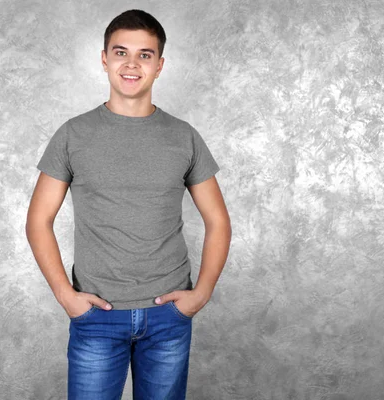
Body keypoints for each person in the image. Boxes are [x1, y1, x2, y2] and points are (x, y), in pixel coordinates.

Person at [26, 9, 231, 400]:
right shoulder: (73, 135)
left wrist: (201, 294)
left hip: (168, 315)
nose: (132, 64)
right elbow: (38, 220)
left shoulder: (183, 137)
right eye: (121, 53)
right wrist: (65, 295)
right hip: (97, 316)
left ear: (159, 65)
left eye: (145, 55)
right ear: (104, 59)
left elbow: (218, 221)